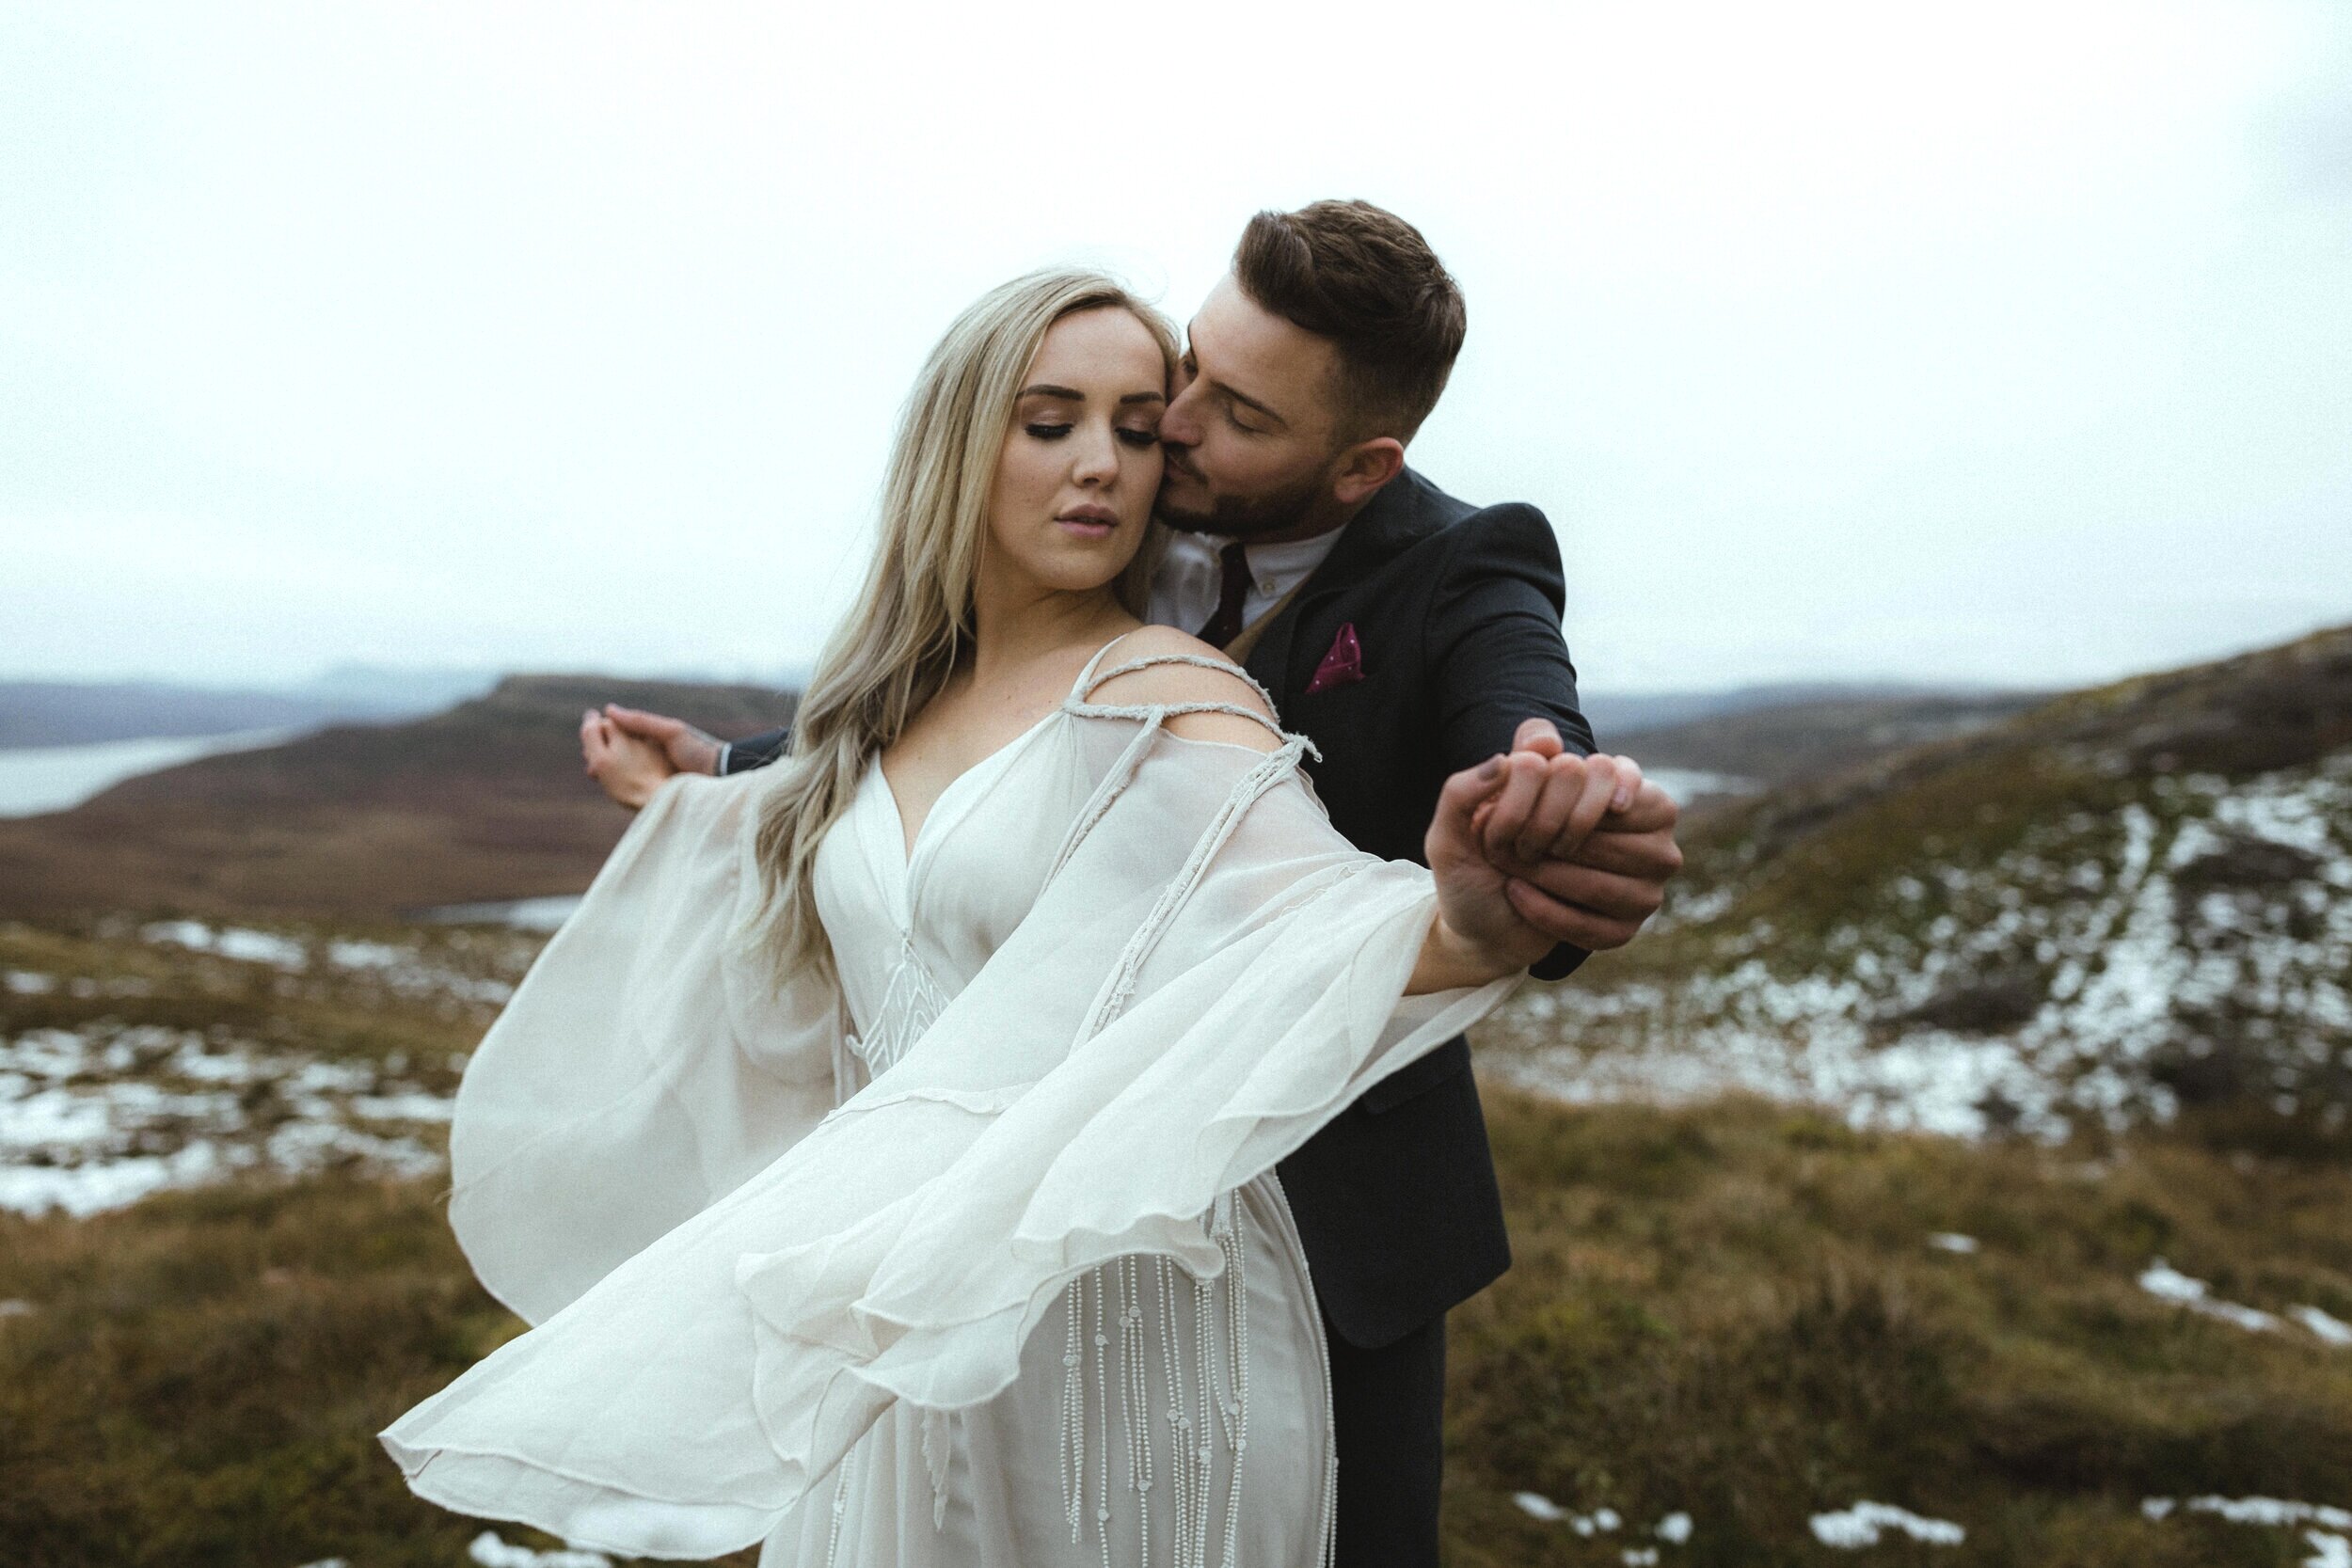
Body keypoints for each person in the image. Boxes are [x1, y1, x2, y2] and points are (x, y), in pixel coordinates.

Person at [384, 264, 1655, 1565]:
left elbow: (1314, 918)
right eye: (1052, 423)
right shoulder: (882, 710)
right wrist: (706, 783)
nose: (1111, 462)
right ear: (960, 444)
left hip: (1123, 1311)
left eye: (1137, 426)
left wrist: (1486, 913)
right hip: (912, 1304)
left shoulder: (1178, 678)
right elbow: (891, 798)